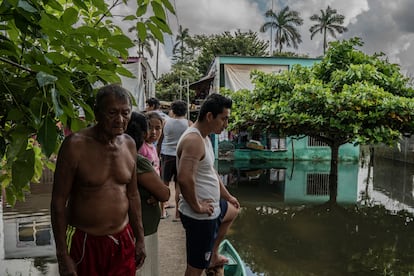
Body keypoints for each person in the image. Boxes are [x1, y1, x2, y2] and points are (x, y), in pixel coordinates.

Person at [50, 84, 146, 276]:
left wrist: (140, 238)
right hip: (84, 241)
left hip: (123, 238)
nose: (120, 120)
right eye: (112, 112)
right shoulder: (75, 146)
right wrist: (62, 254)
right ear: (97, 112)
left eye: (125, 113)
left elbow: (133, 195)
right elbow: (59, 201)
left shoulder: (129, 144)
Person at [176, 93, 240, 276]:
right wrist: (197, 206)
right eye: (223, 119)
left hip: (210, 210)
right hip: (200, 218)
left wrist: (227, 196)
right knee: (195, 269)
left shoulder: (204, 137)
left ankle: (212, 255)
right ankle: (208, 257)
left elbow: (211, 172)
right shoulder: (194, 140)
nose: (226, 124)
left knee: (233, 209)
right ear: (210, 116)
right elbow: (184, 178)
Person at [125, 111, 170, 276]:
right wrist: (158, 192)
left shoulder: (120, 156)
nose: (154, 133)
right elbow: (164, 194)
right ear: (143, 134)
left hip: (136, 227)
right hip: (143, 229)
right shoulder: (138, 160)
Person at [158, 100, 192, 221]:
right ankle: (177, 214)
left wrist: (157, 154)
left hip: (166, 155)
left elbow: (160, 139)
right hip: (181, 156)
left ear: (172, 110)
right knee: (179, 185)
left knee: (164, 184)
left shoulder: (165, 122)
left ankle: (162, 212)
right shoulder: (188, 124)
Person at [138, 111, 163, 176]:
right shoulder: (142, 148)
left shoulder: (152, 146)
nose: (153, 132)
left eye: (157, 128)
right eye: (149, 127)